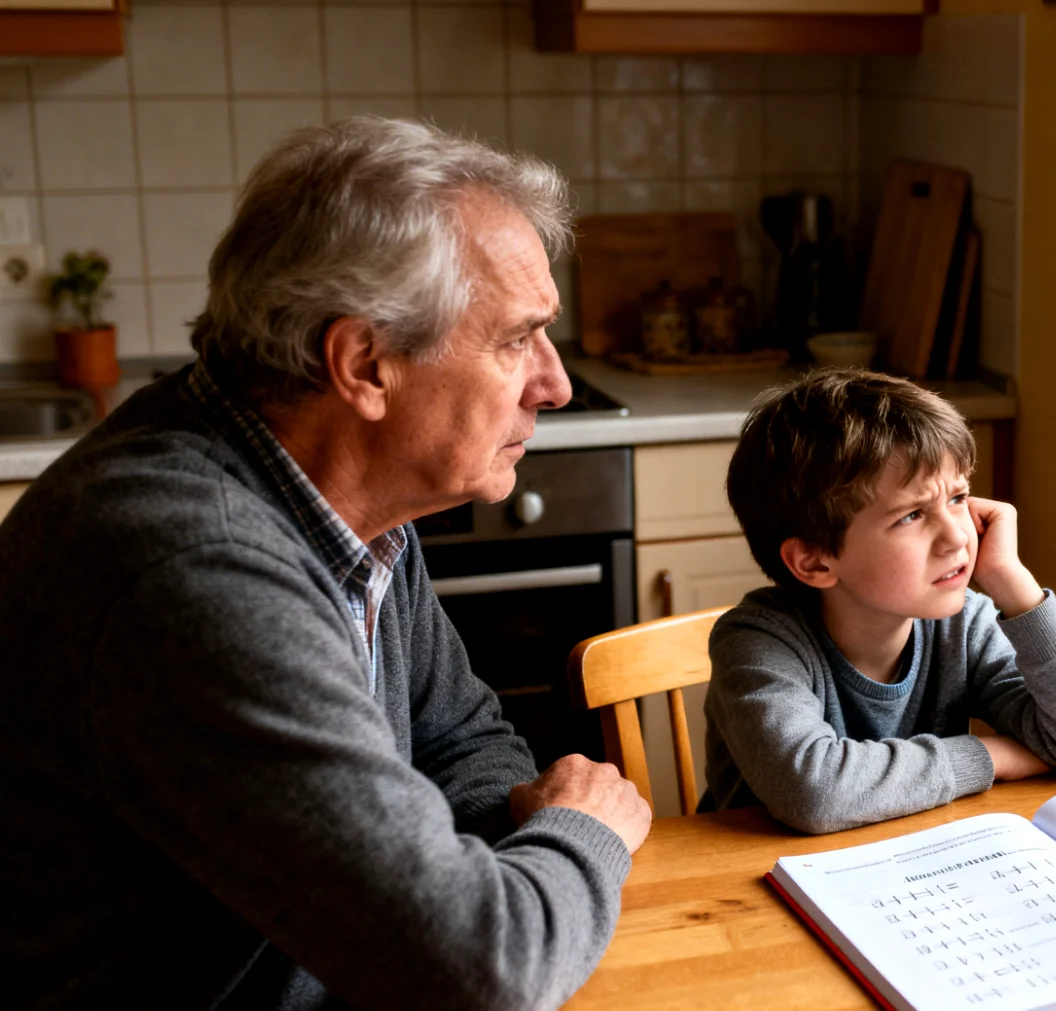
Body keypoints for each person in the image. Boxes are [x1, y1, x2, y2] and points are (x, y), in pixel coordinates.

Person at [0, 118, 652, 1010]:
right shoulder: (194, 566)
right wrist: (583, 831)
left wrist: (471, 884)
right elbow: (475, 967)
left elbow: (464, 740)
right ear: (364, 364)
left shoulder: (347, 492)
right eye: (515, 339)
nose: (556, 383)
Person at [701, 368, 1056, 835]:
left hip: (907, 867)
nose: (957, 537)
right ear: (814, 560)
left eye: (958, 497)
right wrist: (991, 755)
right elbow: (815, 792)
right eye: (911, 515)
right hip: (757, 884)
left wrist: (1012, 583)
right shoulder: (757, 643)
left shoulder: (964, 626)